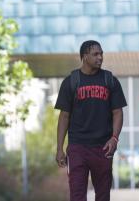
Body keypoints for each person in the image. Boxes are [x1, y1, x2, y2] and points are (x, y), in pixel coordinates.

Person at [55, 40, 127, 201]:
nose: (100, 57)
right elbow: (64, 116)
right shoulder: (71, 81)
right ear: (84, 56)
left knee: (103, 195)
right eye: (95, 54)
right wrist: (59, 148)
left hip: (103, 147)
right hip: (77, 147)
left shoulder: (110, 80)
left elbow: (118, 113)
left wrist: (114, 138)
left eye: (101, 54)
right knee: (77, 194)